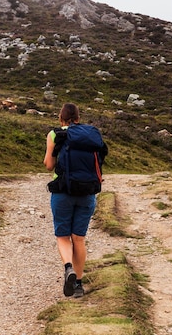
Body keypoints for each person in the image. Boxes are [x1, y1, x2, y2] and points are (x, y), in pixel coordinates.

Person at [43, 103, 102, 298]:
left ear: (61, 117)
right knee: (79, 238)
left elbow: (49, 165)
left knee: (63, 237)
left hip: (62, 192)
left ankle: (68, 268)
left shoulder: (55, 134)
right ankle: (78, 284)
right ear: (78, 117)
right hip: (87, 192)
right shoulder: (91, 135)